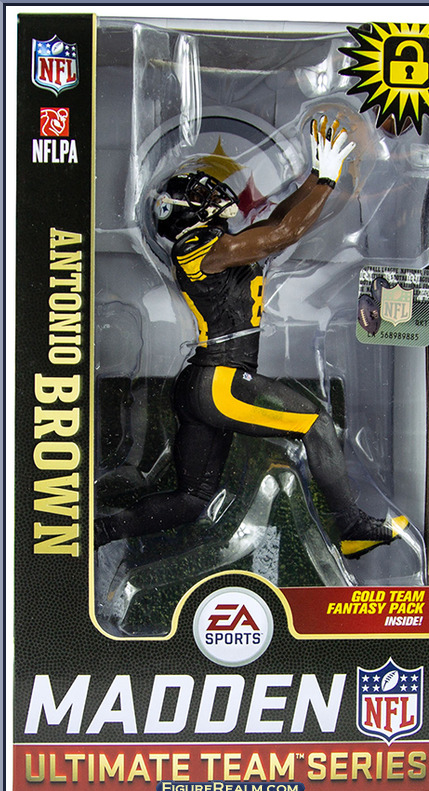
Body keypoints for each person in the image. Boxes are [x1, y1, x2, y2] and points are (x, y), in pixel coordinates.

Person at [95, 116, 409, 560]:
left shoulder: (213, 246)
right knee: (315, 423)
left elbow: (278, 222)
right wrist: (325, 180)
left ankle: (97, 531)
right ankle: (352, 527)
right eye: (200, 195)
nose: (214, 196)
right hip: (220, 381)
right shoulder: (196, 248)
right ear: (180, 211)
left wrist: (315, 178)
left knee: (192, 501)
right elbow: (283, 234)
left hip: (206, 382)